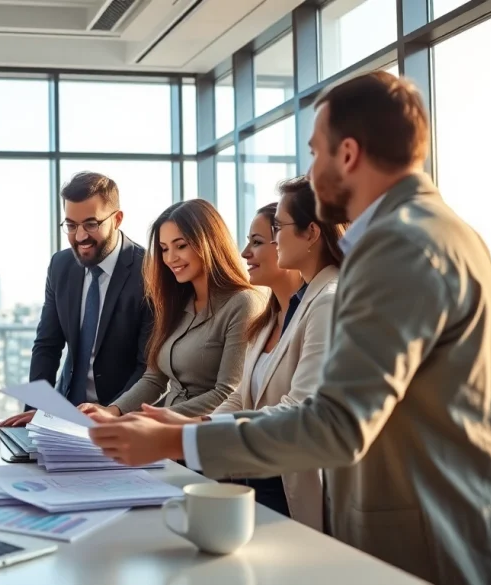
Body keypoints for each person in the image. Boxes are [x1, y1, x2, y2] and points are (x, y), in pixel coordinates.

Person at [87, 71, 491, 585]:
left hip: (440, 544)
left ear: (347, 154)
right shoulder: (433, 230)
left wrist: (179, 444)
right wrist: (187, 428)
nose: (310, 169)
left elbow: (337, 424)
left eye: (315, 152)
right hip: (450, 529)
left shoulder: (401, 246)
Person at [144, 178, 345, 531]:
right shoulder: (271, 315)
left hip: (289, 484)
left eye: (265, 236)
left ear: (310, 233)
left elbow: (299, 409)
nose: (244, 253)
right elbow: (238, 398)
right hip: (252, 479)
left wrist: (188, 435)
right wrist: (188, 429)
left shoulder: (325, 302)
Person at [83, 198, 264, 419]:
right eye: (164, 249)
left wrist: (148, 420)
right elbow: (154, 379)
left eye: (181, 246)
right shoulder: (175, 303)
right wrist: (112, 411)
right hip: (162, 432)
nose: (170, 258)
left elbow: (227, 393)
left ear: (208, 243)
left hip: (203, 436)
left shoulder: (243, 303)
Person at [0, 172, 152, 427]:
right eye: (71, 225)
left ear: (117, 219)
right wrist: (37, 412)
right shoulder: (61, 266)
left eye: (91, 224)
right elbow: (47, 345)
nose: (80, 236)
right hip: (63, 414)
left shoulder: (148, 270)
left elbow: (147, 367)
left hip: (122, 420)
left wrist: (112, 413)